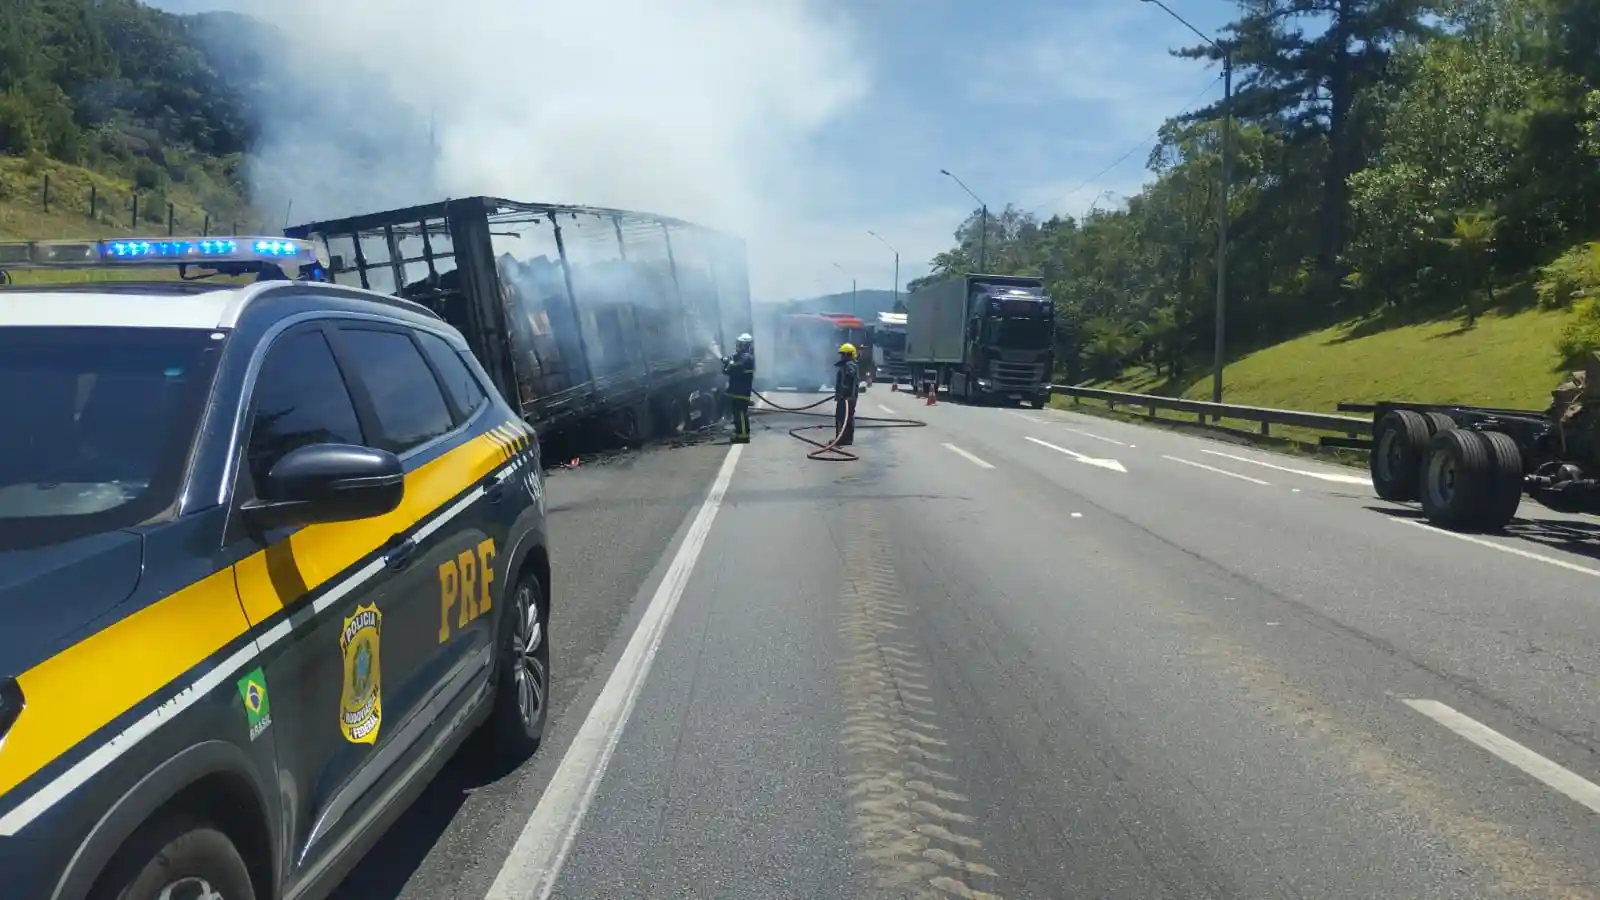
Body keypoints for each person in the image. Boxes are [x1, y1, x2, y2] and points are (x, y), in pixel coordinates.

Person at [723, 333, 756, 444]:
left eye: (740, 344)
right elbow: (726, 371)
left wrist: (730, 363)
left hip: (741, 390)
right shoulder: (740, 356)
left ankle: (743, 436)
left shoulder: (747, 357)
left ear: (745, 345)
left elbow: (737, 368)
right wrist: (727, 362)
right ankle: (739, 433)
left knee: (741, 413)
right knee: (737, 414)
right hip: (737, 390)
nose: (738, 346)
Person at [834, 342, 860, 446]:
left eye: (843, 354)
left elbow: (849, 378)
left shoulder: (849, 365)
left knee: (842, 417)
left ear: (848, 355)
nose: (841, 356)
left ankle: (842, 439)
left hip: (846, 398)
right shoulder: (849, 364)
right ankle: (845, 439)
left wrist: (844, 392)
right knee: (847, 417)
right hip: (847, 397)